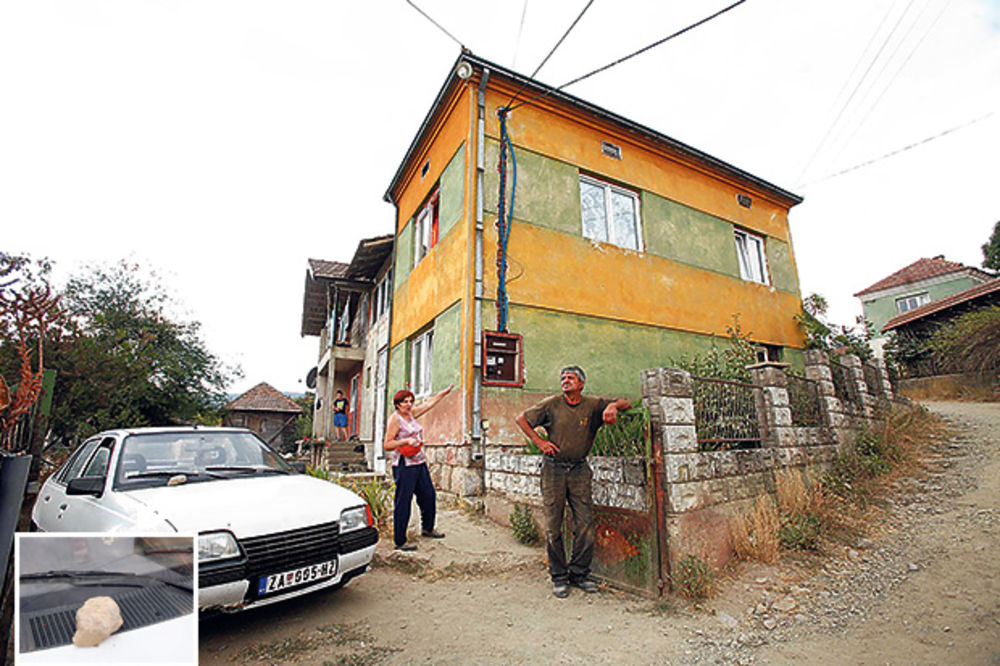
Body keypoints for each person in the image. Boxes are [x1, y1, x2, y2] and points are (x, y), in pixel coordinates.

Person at [515, 366, 631, 598]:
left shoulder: (593, 404)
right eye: (563, 378)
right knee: (553, 526)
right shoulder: (552, 404)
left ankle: (579, 574)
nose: (565, 381)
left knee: (585, 523)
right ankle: (559, 577)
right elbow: (521, 419)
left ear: (581, 384)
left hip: (579, 469)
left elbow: (625, 402)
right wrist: (540, 442)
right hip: (553, 470)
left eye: (570, 378)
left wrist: (612, 406)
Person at [383, 384, 453, 551]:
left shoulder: (412, 415)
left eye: (410, 401)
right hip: (404, 464)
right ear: (397, 404)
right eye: (404, 402)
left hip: (419, 462)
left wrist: (443, 392)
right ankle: (400, 541)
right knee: (404, 501)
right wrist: (405, 441)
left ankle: (428, 529)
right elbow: (387, 444)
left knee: (428, 495)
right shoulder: (395, 419)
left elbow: (429, 404)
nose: (408, 404)